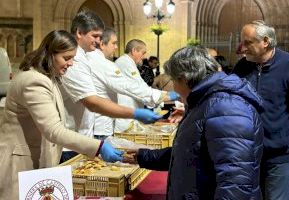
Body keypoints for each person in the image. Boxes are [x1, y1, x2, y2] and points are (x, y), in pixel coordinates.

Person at [124, 45, 264, 199]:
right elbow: (190, 152)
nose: (175, 89)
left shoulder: (227, 106)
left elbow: (235, 181)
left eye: (174, 81)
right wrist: (144, 156)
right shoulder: (206, 101)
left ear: (184, 79)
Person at [0, 30, 123, 200]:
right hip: (19, 165)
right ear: (49, 54)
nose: (71, 63)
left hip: (37, 162)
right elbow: (54, 130)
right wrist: (99, 147)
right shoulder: (33, 81)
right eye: (66, 58)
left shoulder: (48, 77)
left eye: (72, 58)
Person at [60, 11, 162, 162]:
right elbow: (92, 101)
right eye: (94, 36)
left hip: (84, 136)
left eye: (100, 37)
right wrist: (135, 113)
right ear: (79, 33)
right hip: (71, 140)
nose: (98, 41)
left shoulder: (85, 57)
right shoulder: (74, 59)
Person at [232, 20, 289, 200]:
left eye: (248, 43)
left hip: (278, 157)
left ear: (265, 41)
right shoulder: (241, 67)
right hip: (245, 154)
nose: (242, 48)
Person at [86, 28, 175, 139]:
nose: (116, 47)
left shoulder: (102, 61)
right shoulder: (108, 63)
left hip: (104, 121)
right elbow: (129, 87)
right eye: (113, 43)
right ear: (102, 44)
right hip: (102, 124)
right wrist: (164, 96)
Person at [114, 39, 179, 132]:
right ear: (134, 51)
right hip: (126, 115)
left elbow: (141, 87)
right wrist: (167, 95)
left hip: (131, 113)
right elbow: (140, 89)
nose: (144, 57)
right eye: (143, 53)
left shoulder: (129, 63)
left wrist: (162, 96)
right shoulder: (124, 63)